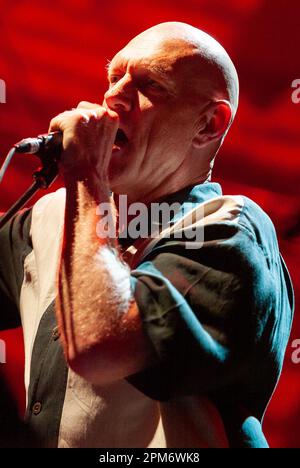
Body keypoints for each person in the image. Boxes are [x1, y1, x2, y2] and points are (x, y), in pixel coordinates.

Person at [0, 22, 294, 448]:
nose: (113, 96)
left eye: (149, 84)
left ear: (209, 124)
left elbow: (102, 344)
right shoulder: (49, 220)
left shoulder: (229, 231)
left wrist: (86, 174)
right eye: (113, 77)